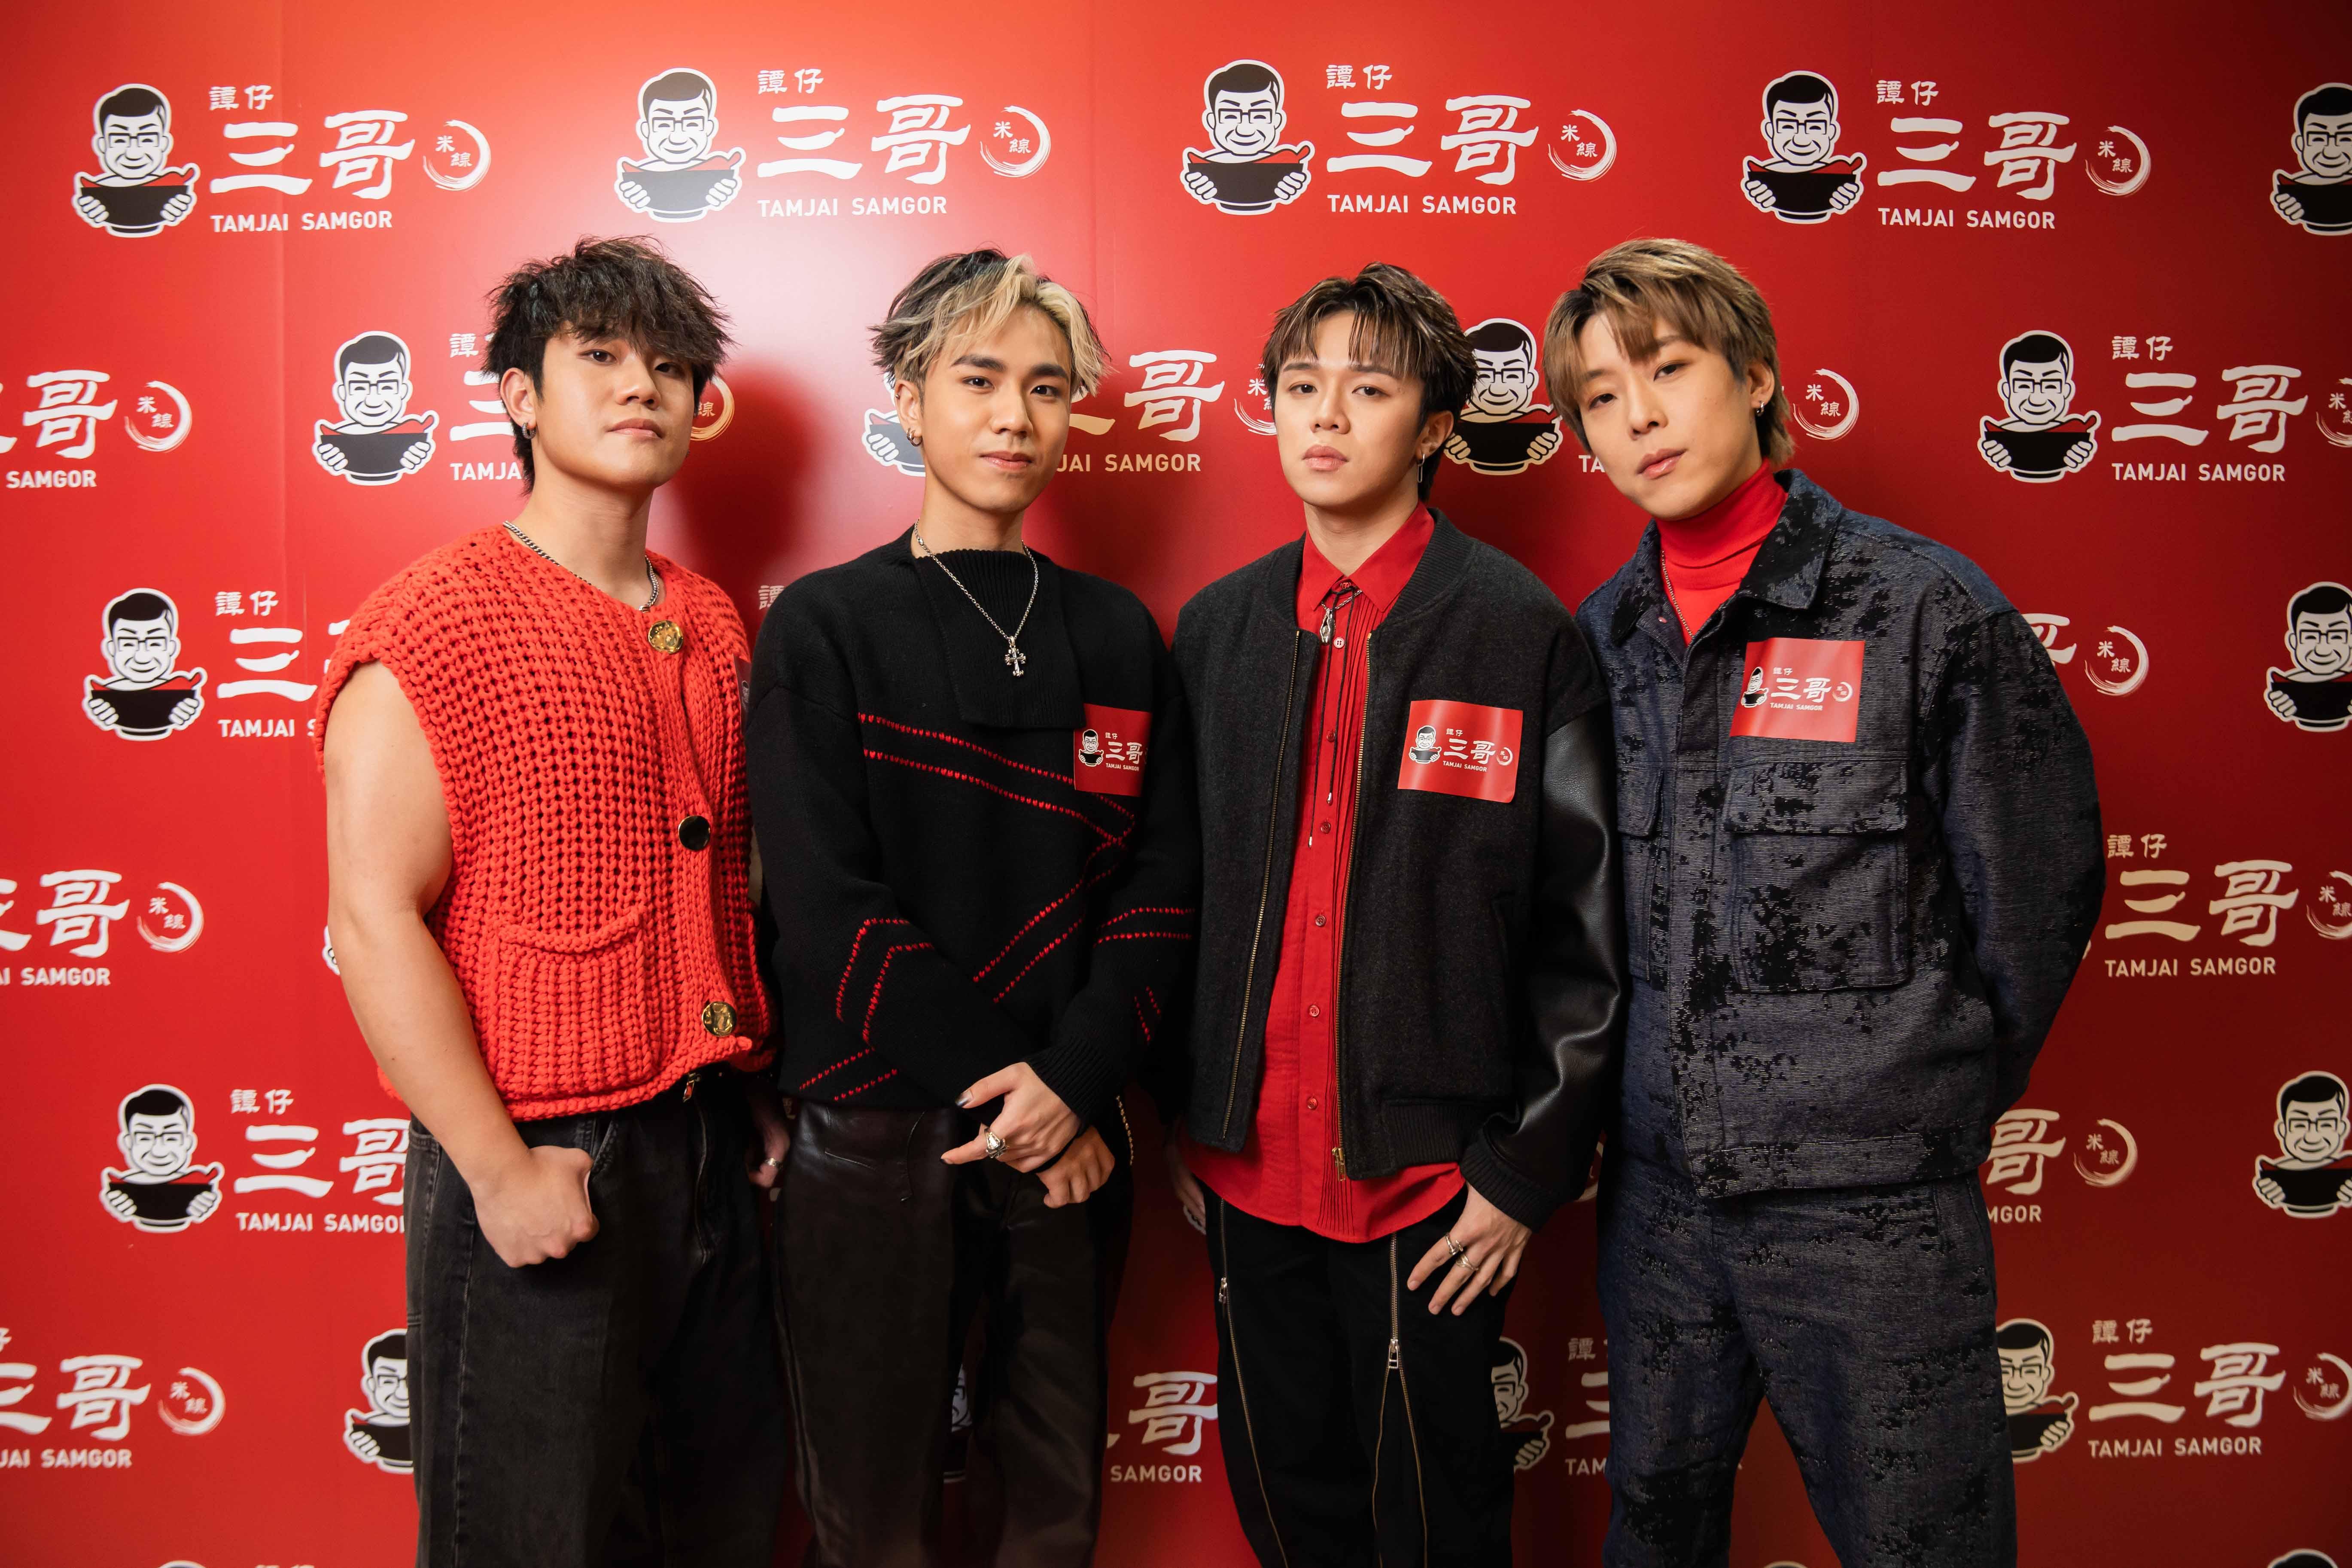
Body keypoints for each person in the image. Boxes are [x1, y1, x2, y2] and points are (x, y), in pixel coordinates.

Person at [1551, 237, 2103, 1567]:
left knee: (1926, 1543)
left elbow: (2038, 882)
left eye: (1668, 371)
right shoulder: (1601, 637)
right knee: (1654, 1532)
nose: (1641, 417)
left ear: (1755, 375)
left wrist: (1920, 1091)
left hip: (1873, 1207)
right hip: (1661, 1203)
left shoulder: (1920, 608)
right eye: (1603, 398)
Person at [318, 236, 788, 1568]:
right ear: (521, 395)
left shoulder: (713, 621)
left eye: (671, 365)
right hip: (539, 1149)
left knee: (720, 1525)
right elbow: (373, 916)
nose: (643, 385)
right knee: (531, 1539)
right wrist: (495, 1167)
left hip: (706, 1143)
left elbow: (724, 876)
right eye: (601, 356)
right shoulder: (434, 622)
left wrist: (747, 1081)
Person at [1165, 262, 1625, 1566]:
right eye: (1300, 386)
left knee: (1439, 1517)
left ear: (1434, 428)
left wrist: (1524, 1169)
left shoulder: (1519, 632)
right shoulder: (1217, 631)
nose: (1325, 415)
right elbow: (1174, 895)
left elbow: (1587, 929)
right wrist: (1194, 1109)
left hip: (1432, 1184)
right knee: (1285, 1504)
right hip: (1251, 1171)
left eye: (1368, 390)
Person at [749, 248, 1198, 1568]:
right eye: (980, 379)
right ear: (909, 397)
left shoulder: (1118, 633)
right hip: (876, 1130)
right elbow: (826, 908)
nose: (1015, 415)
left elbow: (1162, 885)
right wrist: (1026, 1099)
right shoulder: (825, 625)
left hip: (1073, 1125)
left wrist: (1075, 1081)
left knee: (1050, 1512)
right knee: (868, 1516)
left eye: (1047, 388)